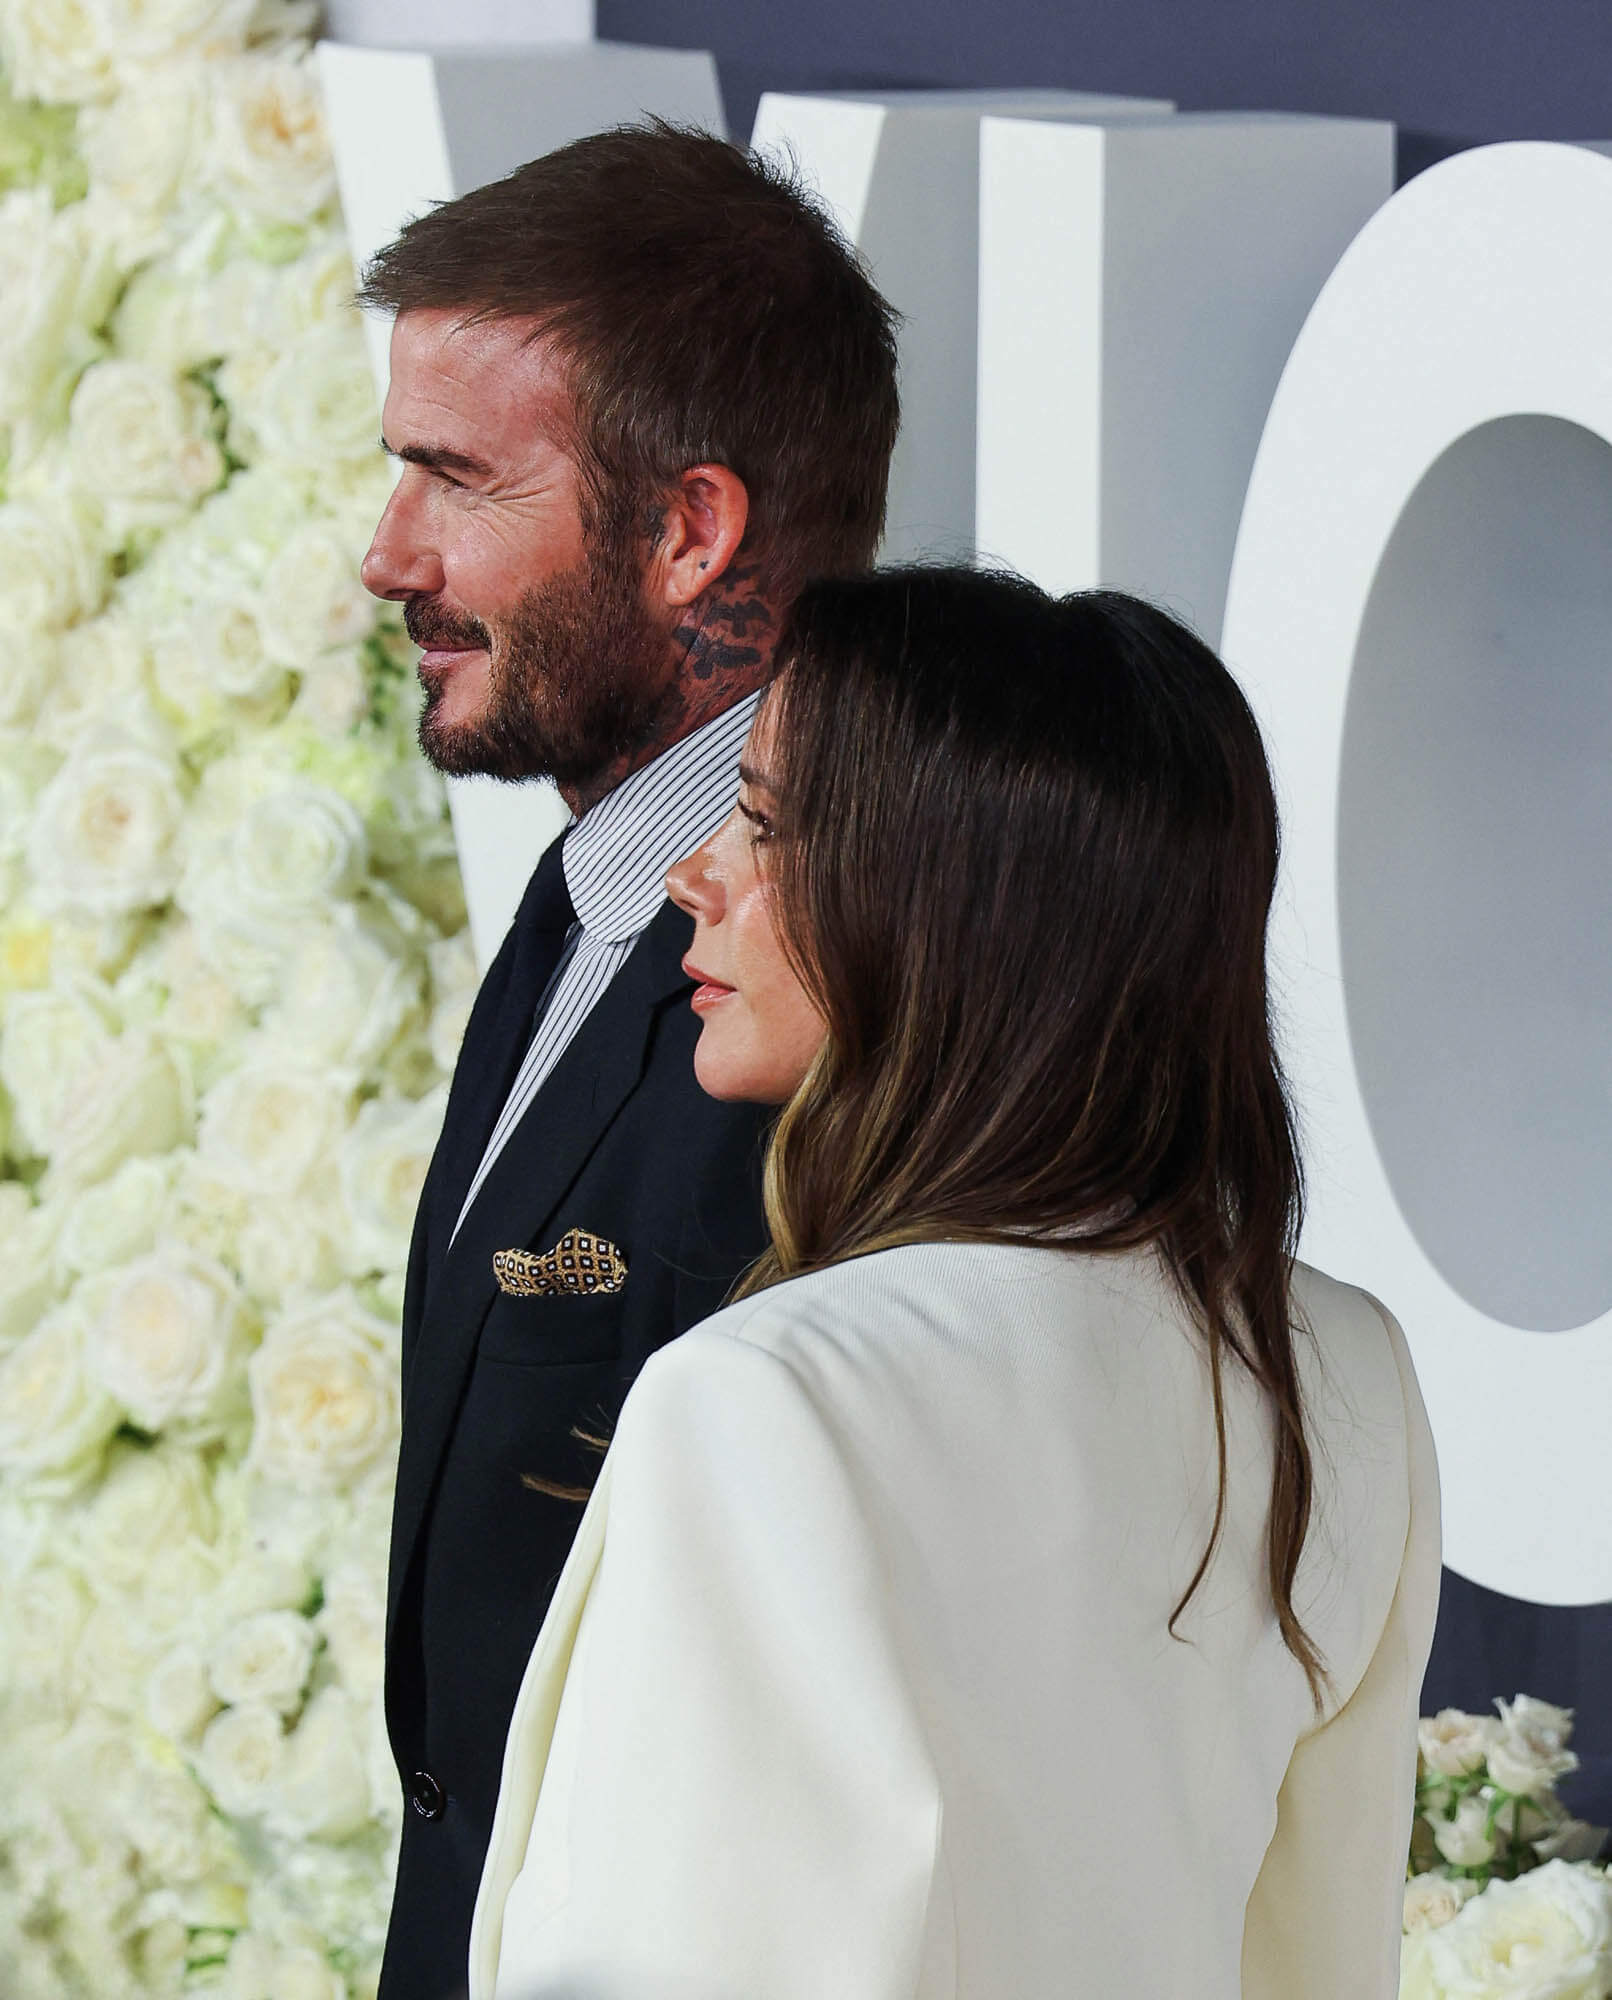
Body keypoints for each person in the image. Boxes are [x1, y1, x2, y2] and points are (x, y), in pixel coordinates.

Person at [470, 568, 1443, 2000]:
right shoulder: (1339, 1367)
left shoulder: (763, 1402)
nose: (695, 873)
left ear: (945, 906)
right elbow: (1323, 1961)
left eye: (763, 821)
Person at [356, 123, 900, 2000]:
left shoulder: (852, 983)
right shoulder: (594, 880)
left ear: (689, 533)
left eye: (455, 478)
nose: (387, 556)